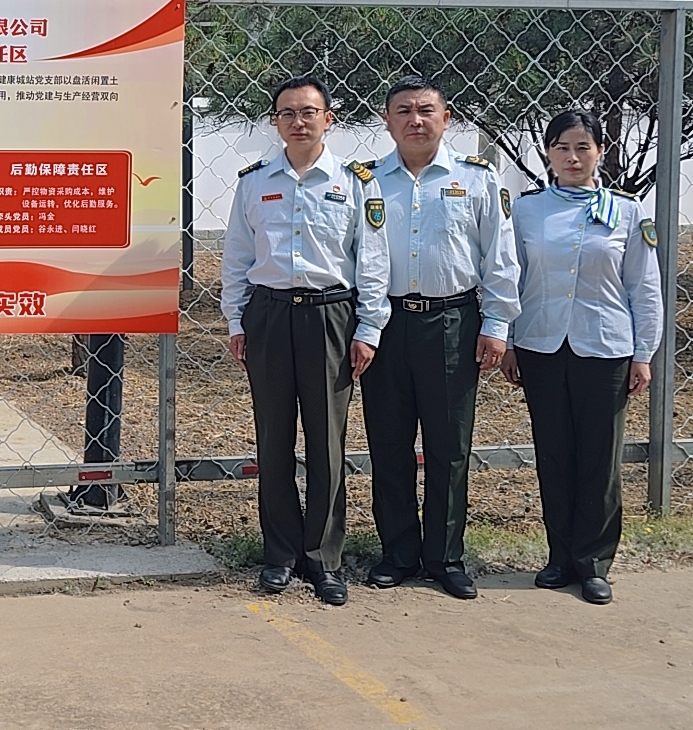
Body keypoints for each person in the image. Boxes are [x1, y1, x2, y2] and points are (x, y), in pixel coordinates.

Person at [221, 74, 390, 606]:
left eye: (309, 112)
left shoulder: (356, 182)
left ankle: (323, 558)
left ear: (328, 120)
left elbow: (372, 261)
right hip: (269, 316)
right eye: (287, 113)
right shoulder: (254, 182)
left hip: (330, 317)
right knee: (273, 440)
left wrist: (368, 330)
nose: (298, 122)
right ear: (275, 122)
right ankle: (279, 553)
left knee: (327, 443)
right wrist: (236, 322)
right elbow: (237, 257)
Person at [361, 75, 520, 600]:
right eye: (403, 111)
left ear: (446, 119)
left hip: (453, 322)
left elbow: (499, 257)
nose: (416, 120)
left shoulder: (477, 178)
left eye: (426, 110)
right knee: (389, 444)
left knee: (449, 446)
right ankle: (398, 553)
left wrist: (497, 325)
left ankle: (446, 558)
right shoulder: (366, 181)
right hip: (385, 324)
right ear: (387, 121)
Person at [503, 110, 663, 605]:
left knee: (599, 457)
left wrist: (644, 352)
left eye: (583, 148)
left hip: (606, 348)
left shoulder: (628, 211)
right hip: (542, 345)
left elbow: (644, 286)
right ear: (548, 154)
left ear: (600, 152)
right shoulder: (527, 211)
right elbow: (512, 279)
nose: (572, 158)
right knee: (554, 454)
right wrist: (508, 340)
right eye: (562, 148)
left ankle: (594, 562)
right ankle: (559, 557)